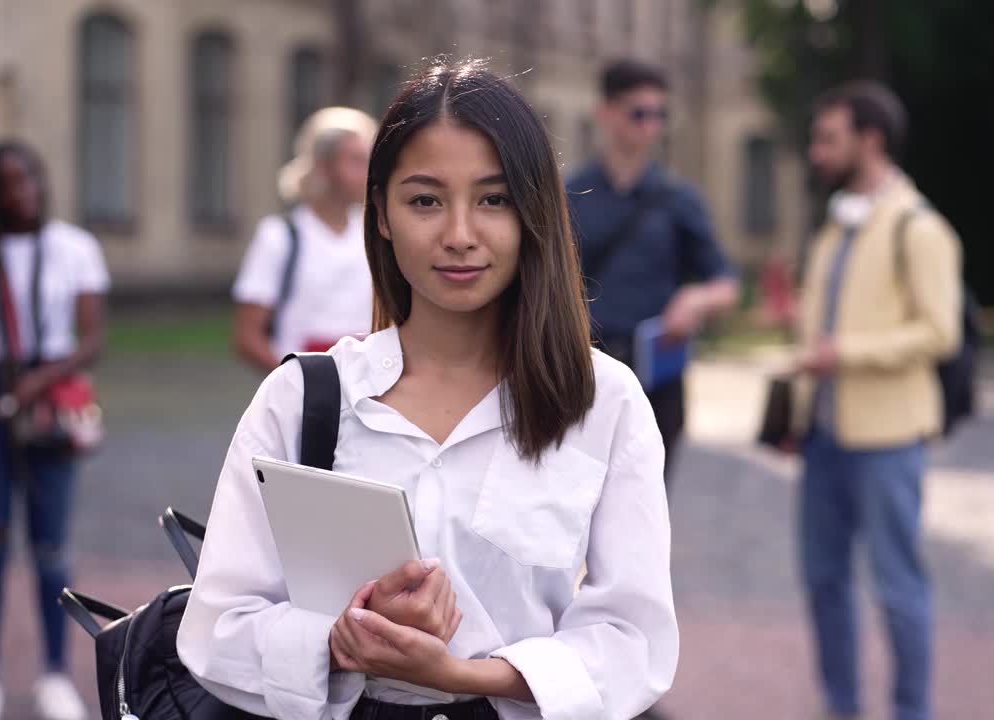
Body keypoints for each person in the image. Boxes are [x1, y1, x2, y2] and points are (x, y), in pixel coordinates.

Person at [178, 59, 678, 720]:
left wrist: (470, 674)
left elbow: (634, 639)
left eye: (493, 199)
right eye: (425, 200)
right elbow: (217, 627)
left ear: (533, 211)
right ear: (380, 212)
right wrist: (342, 638)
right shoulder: (304, 399)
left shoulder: (601, 402)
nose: (460, 235)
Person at [791, 81, 963, 720]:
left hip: (889, 440)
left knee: (898, 589)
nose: (817, 151)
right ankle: (842, 709)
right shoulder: (838, 224)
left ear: (871, 140)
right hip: (824, 437)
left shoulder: (919, 228)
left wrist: (845, 352)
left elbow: (939, 333)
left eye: (829, 137)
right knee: (823, 585)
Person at [0, 141, 109, 720]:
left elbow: (91, 340)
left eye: (29, 178)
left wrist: (35, 386)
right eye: (7, 182)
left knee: (51, 545)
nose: (22, 191)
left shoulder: (74, 248)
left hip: (50, 387)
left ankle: (55, 676)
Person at [567, 59, 739, 484]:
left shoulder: (679, 198)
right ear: (605, 112)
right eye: (638, 113)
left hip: (657, 378)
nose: (651, 126)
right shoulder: (569, 193)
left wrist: (696, 299)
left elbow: (726, 283)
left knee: (646, 511)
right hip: (583, 372)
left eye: (660, 115)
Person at [232, 107, 378, 371]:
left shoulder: (376, 234)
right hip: (303, 387)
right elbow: (247, 337)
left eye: (370, 160)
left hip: (367, 389)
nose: (368, 172)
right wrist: (296, 383)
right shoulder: (281, 237)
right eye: (356, 161)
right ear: (324, 166)